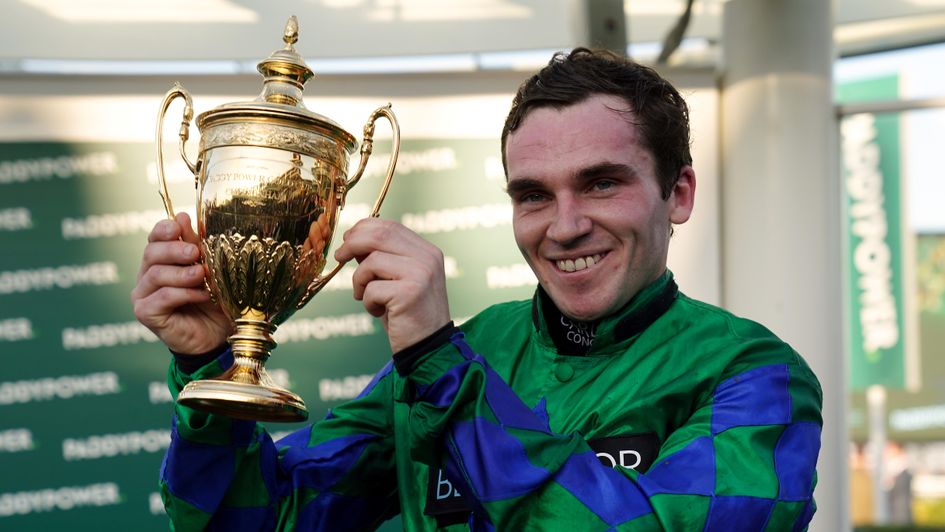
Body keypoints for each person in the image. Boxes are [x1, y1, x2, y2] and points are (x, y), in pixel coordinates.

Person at [133, 48, 823, 531]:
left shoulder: (756, 377)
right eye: (532, 195)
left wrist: (440, 367)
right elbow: (260, 521)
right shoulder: (465, 353)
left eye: (601, 182)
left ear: (677, 193)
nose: (565, 226)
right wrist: (211, 368)